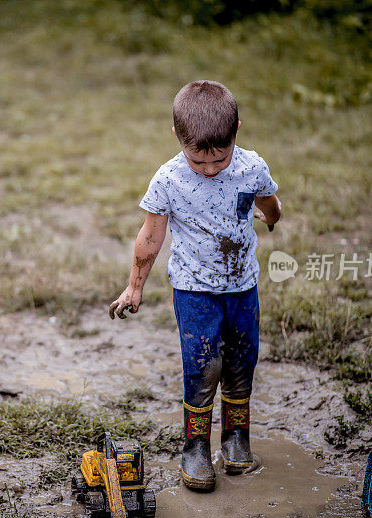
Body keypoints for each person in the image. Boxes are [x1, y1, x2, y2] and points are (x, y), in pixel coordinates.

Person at [108, 80, 281, 492]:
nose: (208, 170)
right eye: (197, 160)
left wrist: (271, 217)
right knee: (204, 367)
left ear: (236, 130)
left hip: (242, 287)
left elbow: (269, 200)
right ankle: (197, 446)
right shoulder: (169, 179)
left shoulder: (251, 167)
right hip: (194, 291)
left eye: (219, 160)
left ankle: (236, 440)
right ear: (177, 138)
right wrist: (134, 286)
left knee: (241, 363)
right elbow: (150, 237)